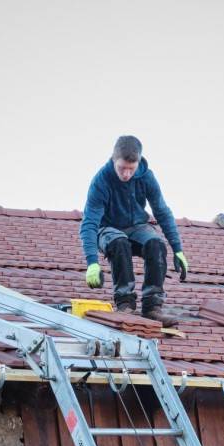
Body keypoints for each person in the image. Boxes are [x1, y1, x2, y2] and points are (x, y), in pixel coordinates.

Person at [80, 135, 188, 321]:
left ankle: (152, 307)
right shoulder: (101, 181)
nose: (126, 174)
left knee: (156, 244)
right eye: (122, 168)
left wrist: (177, 249)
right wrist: (92, 262)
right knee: (119, 242)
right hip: (107, 228)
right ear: (114, 160)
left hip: (137, 226)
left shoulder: (146, 177)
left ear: (138, 162)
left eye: (131, 169)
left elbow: (162, 212)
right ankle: (125, 304)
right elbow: (89, 223)